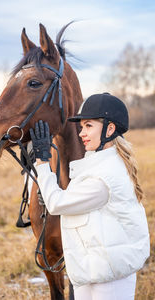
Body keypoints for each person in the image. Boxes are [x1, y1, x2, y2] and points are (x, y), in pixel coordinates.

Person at [29, 92, 150, 300]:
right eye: (81, 126)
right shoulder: (98, 163)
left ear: (110, 129)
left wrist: (42, 162)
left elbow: (57, 203)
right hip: (94, 269)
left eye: (89, 126)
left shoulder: (104, 176)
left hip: (110, 276)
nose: (81, 133)